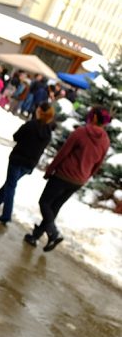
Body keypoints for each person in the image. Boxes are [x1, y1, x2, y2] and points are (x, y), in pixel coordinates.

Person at [25, 106, 112, 251]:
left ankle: (54, 233)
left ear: (95, 117)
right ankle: (35, 236)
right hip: (79, 180)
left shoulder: (81, 132)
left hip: (63, 175)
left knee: (44, 203)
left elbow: (63, 153)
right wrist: (85, 177)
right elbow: (98, 165)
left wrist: (50, 170)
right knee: (54, 207)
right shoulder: (105, 141)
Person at [0, 102, 55, 225]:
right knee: (10, 184)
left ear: (40, 111)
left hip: (18, 159)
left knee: (10, 187)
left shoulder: (31, 125)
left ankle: (6, 215)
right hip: (29, 164)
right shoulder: (48, 132)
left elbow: (16, 136)